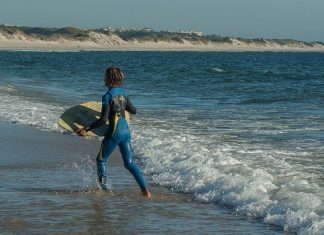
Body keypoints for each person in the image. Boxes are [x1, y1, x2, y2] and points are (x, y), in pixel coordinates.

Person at [77, 66, 151, 198]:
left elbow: (102, 119)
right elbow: (134, 111)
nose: (103, 79)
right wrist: (120, 108)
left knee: (101, 160)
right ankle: (145, 191)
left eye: (105, 76)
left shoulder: (107, 96)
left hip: (114, 132)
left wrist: (86, 129)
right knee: (129, 163)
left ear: (109, 79)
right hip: (126, 132)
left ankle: (104, 190)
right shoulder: (124, 94)